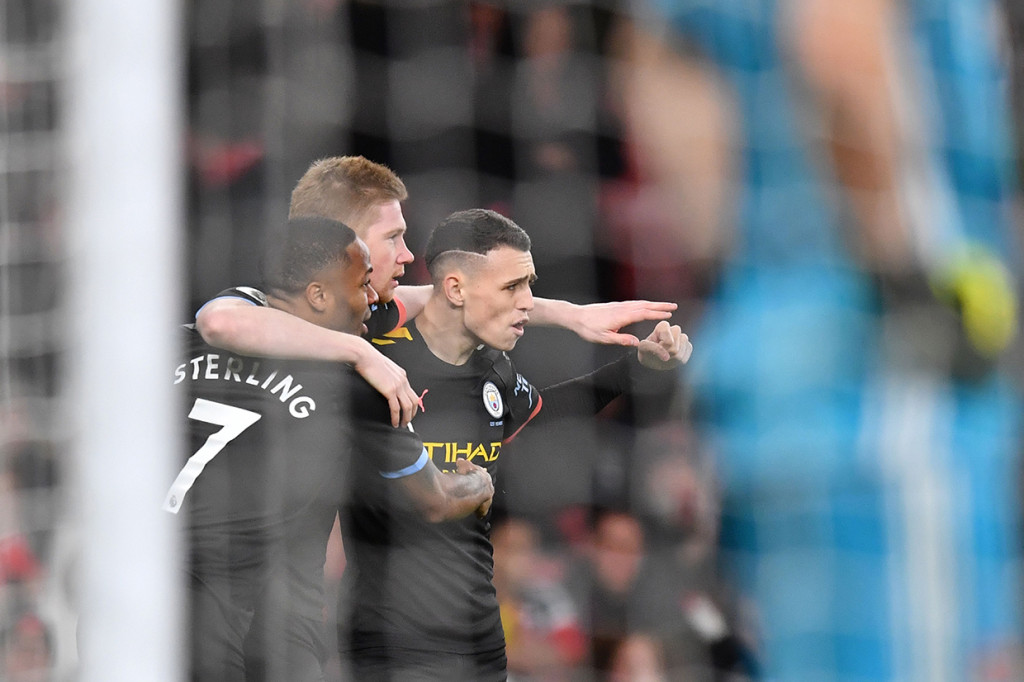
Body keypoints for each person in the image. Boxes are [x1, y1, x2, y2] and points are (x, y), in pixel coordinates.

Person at [620, 0, 1021, 679]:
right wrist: (905, 275)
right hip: (888, 398)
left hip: (766, 386)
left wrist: (749, 267)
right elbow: (837, 42)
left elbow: (659, 66)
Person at [333, 208, 689, 681]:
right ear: (455, 288)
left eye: (529, 285)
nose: (528, 303)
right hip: (391, 640)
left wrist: (640, 367)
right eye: (511, 287)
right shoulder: (373, 357)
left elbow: (549, 413)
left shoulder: (494, 371)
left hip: (479, 638)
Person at [174, 217, 493, 682]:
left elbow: (221, 319)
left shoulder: (185, 343)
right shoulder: (352, 386)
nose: (373, 299)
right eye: (363, 284)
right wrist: (479, 482)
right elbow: (436, 500)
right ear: (319, 296)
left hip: (120, 584)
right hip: (209, 610)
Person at [195, 156, 681, 429]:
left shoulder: (373, 316)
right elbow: (219, 321)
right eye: (393, 238)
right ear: (345, 241)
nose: (407, 256)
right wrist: (361, 355)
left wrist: (571, 315)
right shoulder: (263, 307)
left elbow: (441, 296)